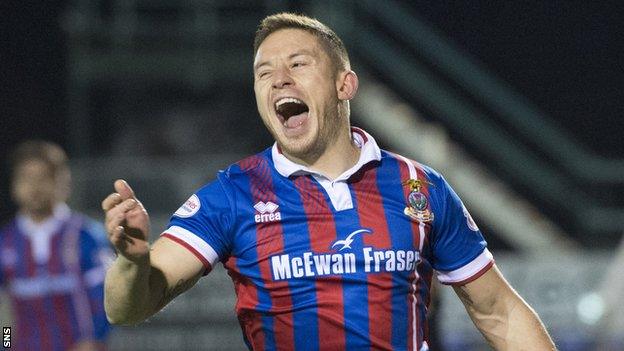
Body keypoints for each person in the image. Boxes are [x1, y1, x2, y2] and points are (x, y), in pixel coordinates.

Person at [102, 13, 556, 350]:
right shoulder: (234, 194)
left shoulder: (420, 188)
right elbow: (126, 308)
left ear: (345, 85)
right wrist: (132, 262)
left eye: (298, 65)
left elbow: (499, 312)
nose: (278, 80)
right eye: (264, 73)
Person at [0, 140, 112, 351]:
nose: (35, 187)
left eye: (44, 177)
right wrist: (6, 345)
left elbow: (105, 296)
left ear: (63, 182)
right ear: (14, 185)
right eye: (26, 178)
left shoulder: (87, 236)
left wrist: (93, 341)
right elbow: (3, 311)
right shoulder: (4, 242)